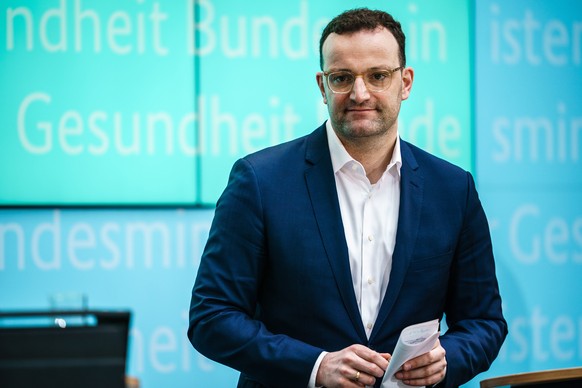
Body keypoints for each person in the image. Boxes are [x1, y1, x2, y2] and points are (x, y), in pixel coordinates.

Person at [188, 8, 507, 388]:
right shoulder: (260, 181)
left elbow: (484, 322)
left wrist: (446, 360)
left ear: (405, 82)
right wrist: (315, 366)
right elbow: (211, 316)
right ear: (322, 86)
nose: (359, 93)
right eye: (342, 78)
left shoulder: (453, 189)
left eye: (377, 76)